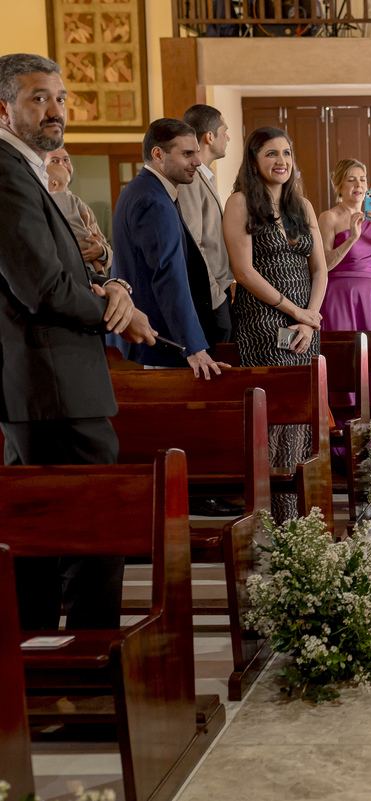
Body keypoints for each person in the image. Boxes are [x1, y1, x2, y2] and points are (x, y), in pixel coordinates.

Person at [0, 53, 156, 631]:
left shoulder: (25, 169)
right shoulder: (5, 171)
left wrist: (110, 288)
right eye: (38, 98)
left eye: (60, 97)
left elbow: (57, 269)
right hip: (52, 382)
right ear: (4, 107)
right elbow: (41, 285)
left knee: (43, 534)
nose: (55, 110)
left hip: (47, 382)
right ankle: (92, 667)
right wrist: (117, 310)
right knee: (93, 527)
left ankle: (43, 666)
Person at [223, 126, 327, 521]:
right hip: (263, 321)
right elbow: (243, 271)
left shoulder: (302, 205)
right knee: (277, 419)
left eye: (286, 153)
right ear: (253, 161)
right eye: (271, 154)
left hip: (304, 324)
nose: (281, 161)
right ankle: (275, 519)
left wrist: (310, 317)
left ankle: (300, 519)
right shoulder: (240, 203)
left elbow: (319, 269)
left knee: (301, 416)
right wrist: (293, 311)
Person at [109, 118, 226, 379]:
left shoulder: (142, 190)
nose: (196, 161)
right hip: (164, 340)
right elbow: (168, 276)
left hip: (159, 336)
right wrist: (193, 346)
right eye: (187, 154)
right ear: (158, 154)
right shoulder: (153, 201)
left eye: (196, 153)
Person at [317, 157, 371, 407]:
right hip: (339, 297)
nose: (358, 185)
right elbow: (324, 264)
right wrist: (352, 237)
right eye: (351, 179)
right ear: (339, 185)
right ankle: (341, 424)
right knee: (344, 358)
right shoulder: (328, 218)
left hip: (370, 297)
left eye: (362, 179)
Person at [178, 103, 235, 345]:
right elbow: (194, 243)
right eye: (225, 130)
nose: (229, 137)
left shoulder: (205, 176)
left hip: (220, 290)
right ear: (209, 137)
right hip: (210, 297)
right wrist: (216, 297)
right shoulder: (190, 178)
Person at [46, 160, 109, 274]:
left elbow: (108, 251)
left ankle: (100, 277)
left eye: (66, 160)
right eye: (54, 160)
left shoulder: (80, 203)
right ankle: (100, 273)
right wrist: (86, 227)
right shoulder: (73, 200)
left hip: (85, 272)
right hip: (67, 266)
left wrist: (101, 251)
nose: (62, 164)